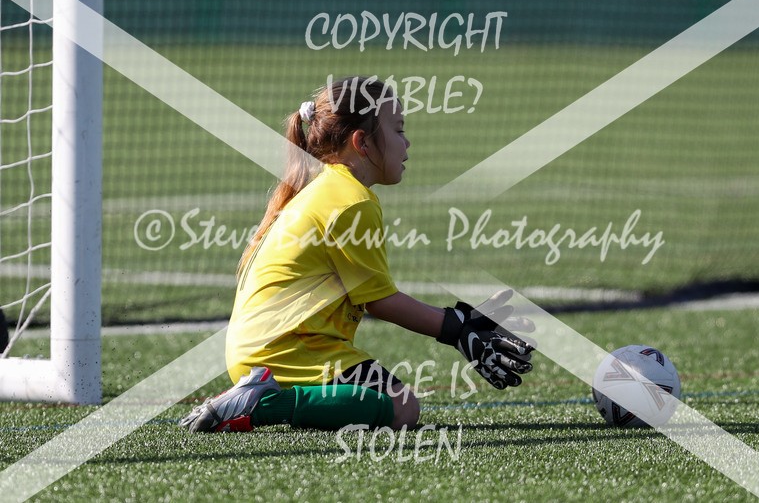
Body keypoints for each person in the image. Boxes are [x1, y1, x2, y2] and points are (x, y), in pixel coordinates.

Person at [180, 76, 535, 433]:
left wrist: (459, 322)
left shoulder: (329, 187)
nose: (407, 142)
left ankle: (262, 395)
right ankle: (263, 404)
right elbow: (381, 301)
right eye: (398, 130)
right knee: (401, 408)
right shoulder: (352, 202)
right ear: (362, 142)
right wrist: (456, 327)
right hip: (285, 350)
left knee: (394, 403)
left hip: (265, 350)